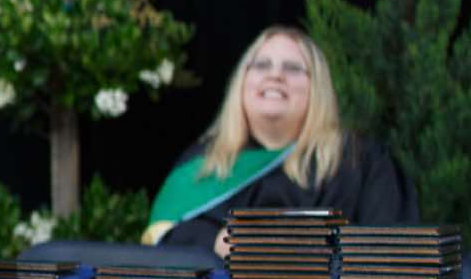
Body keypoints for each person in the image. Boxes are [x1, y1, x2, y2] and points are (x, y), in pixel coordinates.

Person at [146, 24, 418, 251]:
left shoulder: (361, 161)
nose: (275, 75)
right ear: (242, 81)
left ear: (317, 87)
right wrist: (216, 241)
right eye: (261, 65)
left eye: (293, 68)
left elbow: (387, 253)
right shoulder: (203, 164)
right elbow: (165, 236)